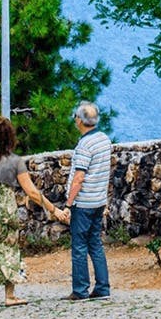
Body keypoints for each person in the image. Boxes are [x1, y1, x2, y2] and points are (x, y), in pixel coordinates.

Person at [0, 115, 66, 311]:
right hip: (6, 210)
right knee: (9, 250)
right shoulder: (16, 161)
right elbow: (31, 192)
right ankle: (9, 296)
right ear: (10, 136)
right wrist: (54, 209)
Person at [61, 100, 112, 301]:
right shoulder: (104, 140)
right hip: (99, 201)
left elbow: (79, 178)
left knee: (79, 247)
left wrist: (68, 204)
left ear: (80, 120)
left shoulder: (84, 145)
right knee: (95, 245)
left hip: (83, 204)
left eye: (76, 116)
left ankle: (80, 290)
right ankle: (102, 287)